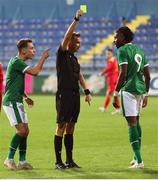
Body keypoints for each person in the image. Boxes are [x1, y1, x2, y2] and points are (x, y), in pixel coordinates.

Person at [2, 38, 49, 170]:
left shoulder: (17, 62)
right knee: (21, 130)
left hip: (17, 99)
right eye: (31, 48)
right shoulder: (17, 62)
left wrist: (26, 97)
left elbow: (15, 84)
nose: (34, 51)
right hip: (11, 101)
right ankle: (9, 159)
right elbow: (35, 72)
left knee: (25, 131)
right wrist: (43, 58)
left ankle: (22, 162)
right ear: (23, 51)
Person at [54, 9, 92, 169]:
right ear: (69, 42)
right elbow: (66, 36)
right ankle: (58, 161)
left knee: (71, 126)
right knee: (61, 126)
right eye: (76, 42)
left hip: (75, 95)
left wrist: (86, 91)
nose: (78, 44)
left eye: (79, 42)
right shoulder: (62, 54)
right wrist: (76, 19)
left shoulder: (74, 59)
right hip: (64, 95)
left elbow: (80, 75)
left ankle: (69, 160)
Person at [113, 26, 150, 168]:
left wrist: (115, 93)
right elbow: (147, 76)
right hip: (140, 90)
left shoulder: (122, 51)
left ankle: (139, 160)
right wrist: (146, 94)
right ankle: (136, 157)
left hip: (128, 89)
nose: (114, 40)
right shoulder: (140, 51)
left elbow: (123, 73)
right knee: (137, 122)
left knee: (131, 123)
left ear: (123, 37)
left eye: (117, 37)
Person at [99, 48, 120, 114]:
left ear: (112, 54)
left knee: (112, 94)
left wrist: (102, 73)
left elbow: (109, 68)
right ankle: (105, 108)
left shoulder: (111, 60)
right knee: (113, 94)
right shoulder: (113, 60)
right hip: (113, 79)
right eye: (106, 54)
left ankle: (117, 109)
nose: (107, 55)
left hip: (112, 80)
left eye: (108, 54)